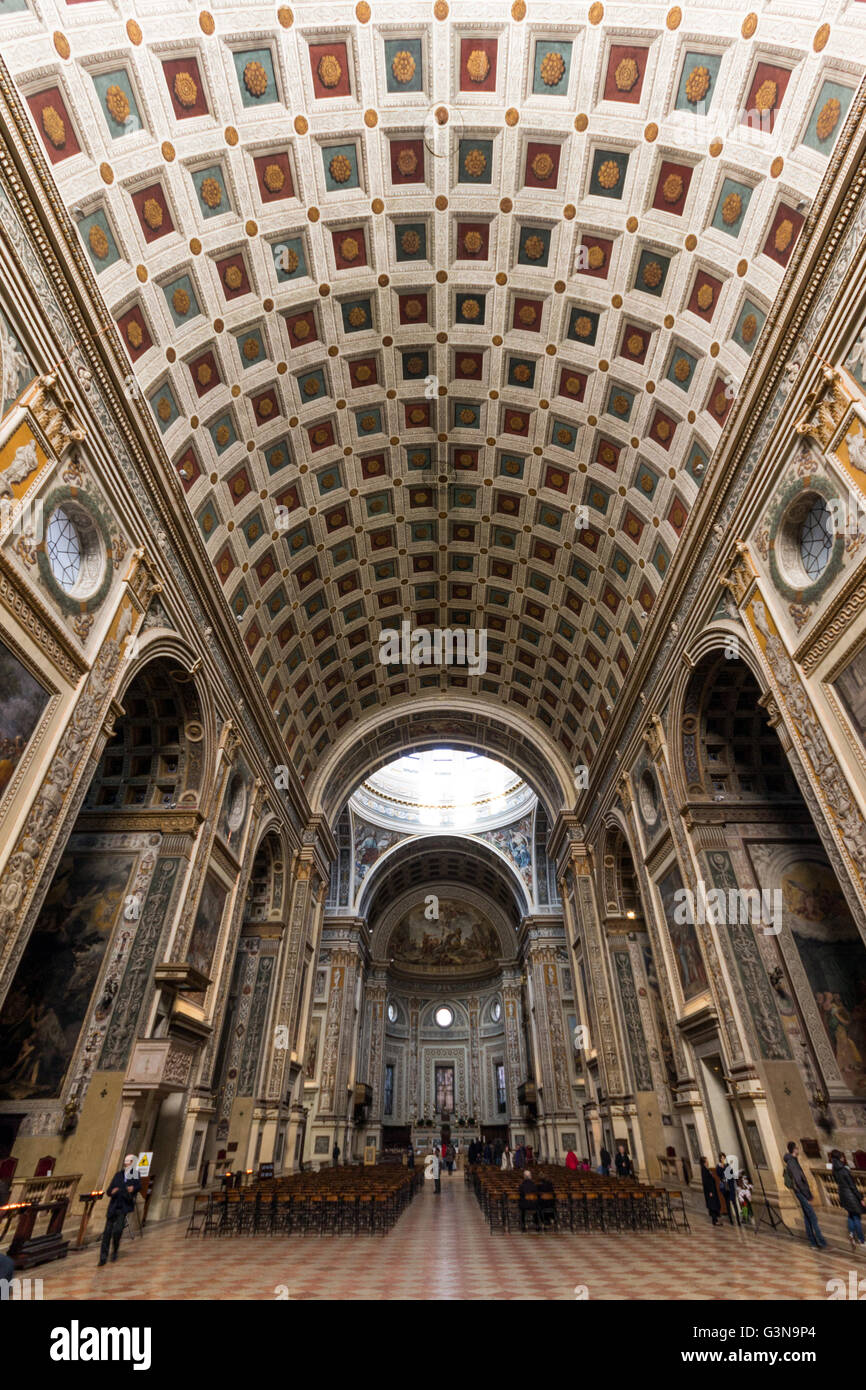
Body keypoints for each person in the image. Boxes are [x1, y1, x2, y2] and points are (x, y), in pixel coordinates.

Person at [98, 1153, 141, 1267]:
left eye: (129, 1162)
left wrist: (132, 1189)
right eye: (126, 1161)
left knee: (117, 1231)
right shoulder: (118, 1175)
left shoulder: (135, 1175)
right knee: (107, 1233)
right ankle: (103, 1257)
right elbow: (109, 1191)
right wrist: (112, 1191)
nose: (126, 1163)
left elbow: (138, 1187)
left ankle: (115, 1251)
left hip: (123, 1207)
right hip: (113, 1207)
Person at [783, 1141, 827, 1249]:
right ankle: (820, 1241)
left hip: (800, 1192)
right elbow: (798, 1180)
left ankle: (813, 1242)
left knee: (807, 1217)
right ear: (794, 1149)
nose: (798, 1150)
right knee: (813, 1217)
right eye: (797, 1148)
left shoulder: (792, 1161)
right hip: (801, 1193)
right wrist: (808, 1195)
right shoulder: (792, 1163)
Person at [830, 1149, 865, 1247]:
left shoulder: (835, 1170)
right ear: (839, 1158)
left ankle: (851, 1234)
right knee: (856, 1217)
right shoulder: (844, 1170)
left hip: (842, 1195)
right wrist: (860, 1198)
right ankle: (862, 1241)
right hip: (850, 1196)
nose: (843, 1158)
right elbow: (852, 1186)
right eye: (842, 1156)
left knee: (850, 1215)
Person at [700, 1156, 722, 1226]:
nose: (708, 1162)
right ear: (704, 1163)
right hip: (710, 1191)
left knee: (714, 1204)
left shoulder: (706, 1169)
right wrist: (710, 1192)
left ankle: (716, 1219)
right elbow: (706, 1182)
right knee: (712, 1205)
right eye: (707, 1161)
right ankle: (715, 1220)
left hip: (712, 1190)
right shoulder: (704, 1170)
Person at [716, 1153, 737, 1225]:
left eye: (724, 1158)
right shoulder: (718, 1167)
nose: (723, 1159)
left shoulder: (727, 1165)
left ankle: (737, 1219)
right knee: (727, 1203)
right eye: (722, 1158)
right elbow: (720, 1175)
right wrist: (725, 1168)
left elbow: (731, 1174)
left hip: (730, 1186)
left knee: (734, 1202)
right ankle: (731, 1220)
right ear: (720, 1159)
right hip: (724, 1187)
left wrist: (729, 1167)